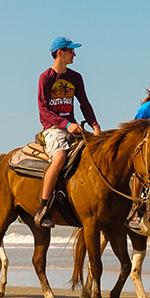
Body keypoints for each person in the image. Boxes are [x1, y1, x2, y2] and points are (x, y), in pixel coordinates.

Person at [36, 37, 99, 228]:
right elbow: (43, 109)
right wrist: (65, 124)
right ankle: (43, 207)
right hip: (53, 128)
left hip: (73, 126)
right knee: (59, 159)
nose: (74, 54)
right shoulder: (45, 78)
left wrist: (95, 125)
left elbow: (84, 103)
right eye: (71, 51)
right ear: (60, 53)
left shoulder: (76, 77)